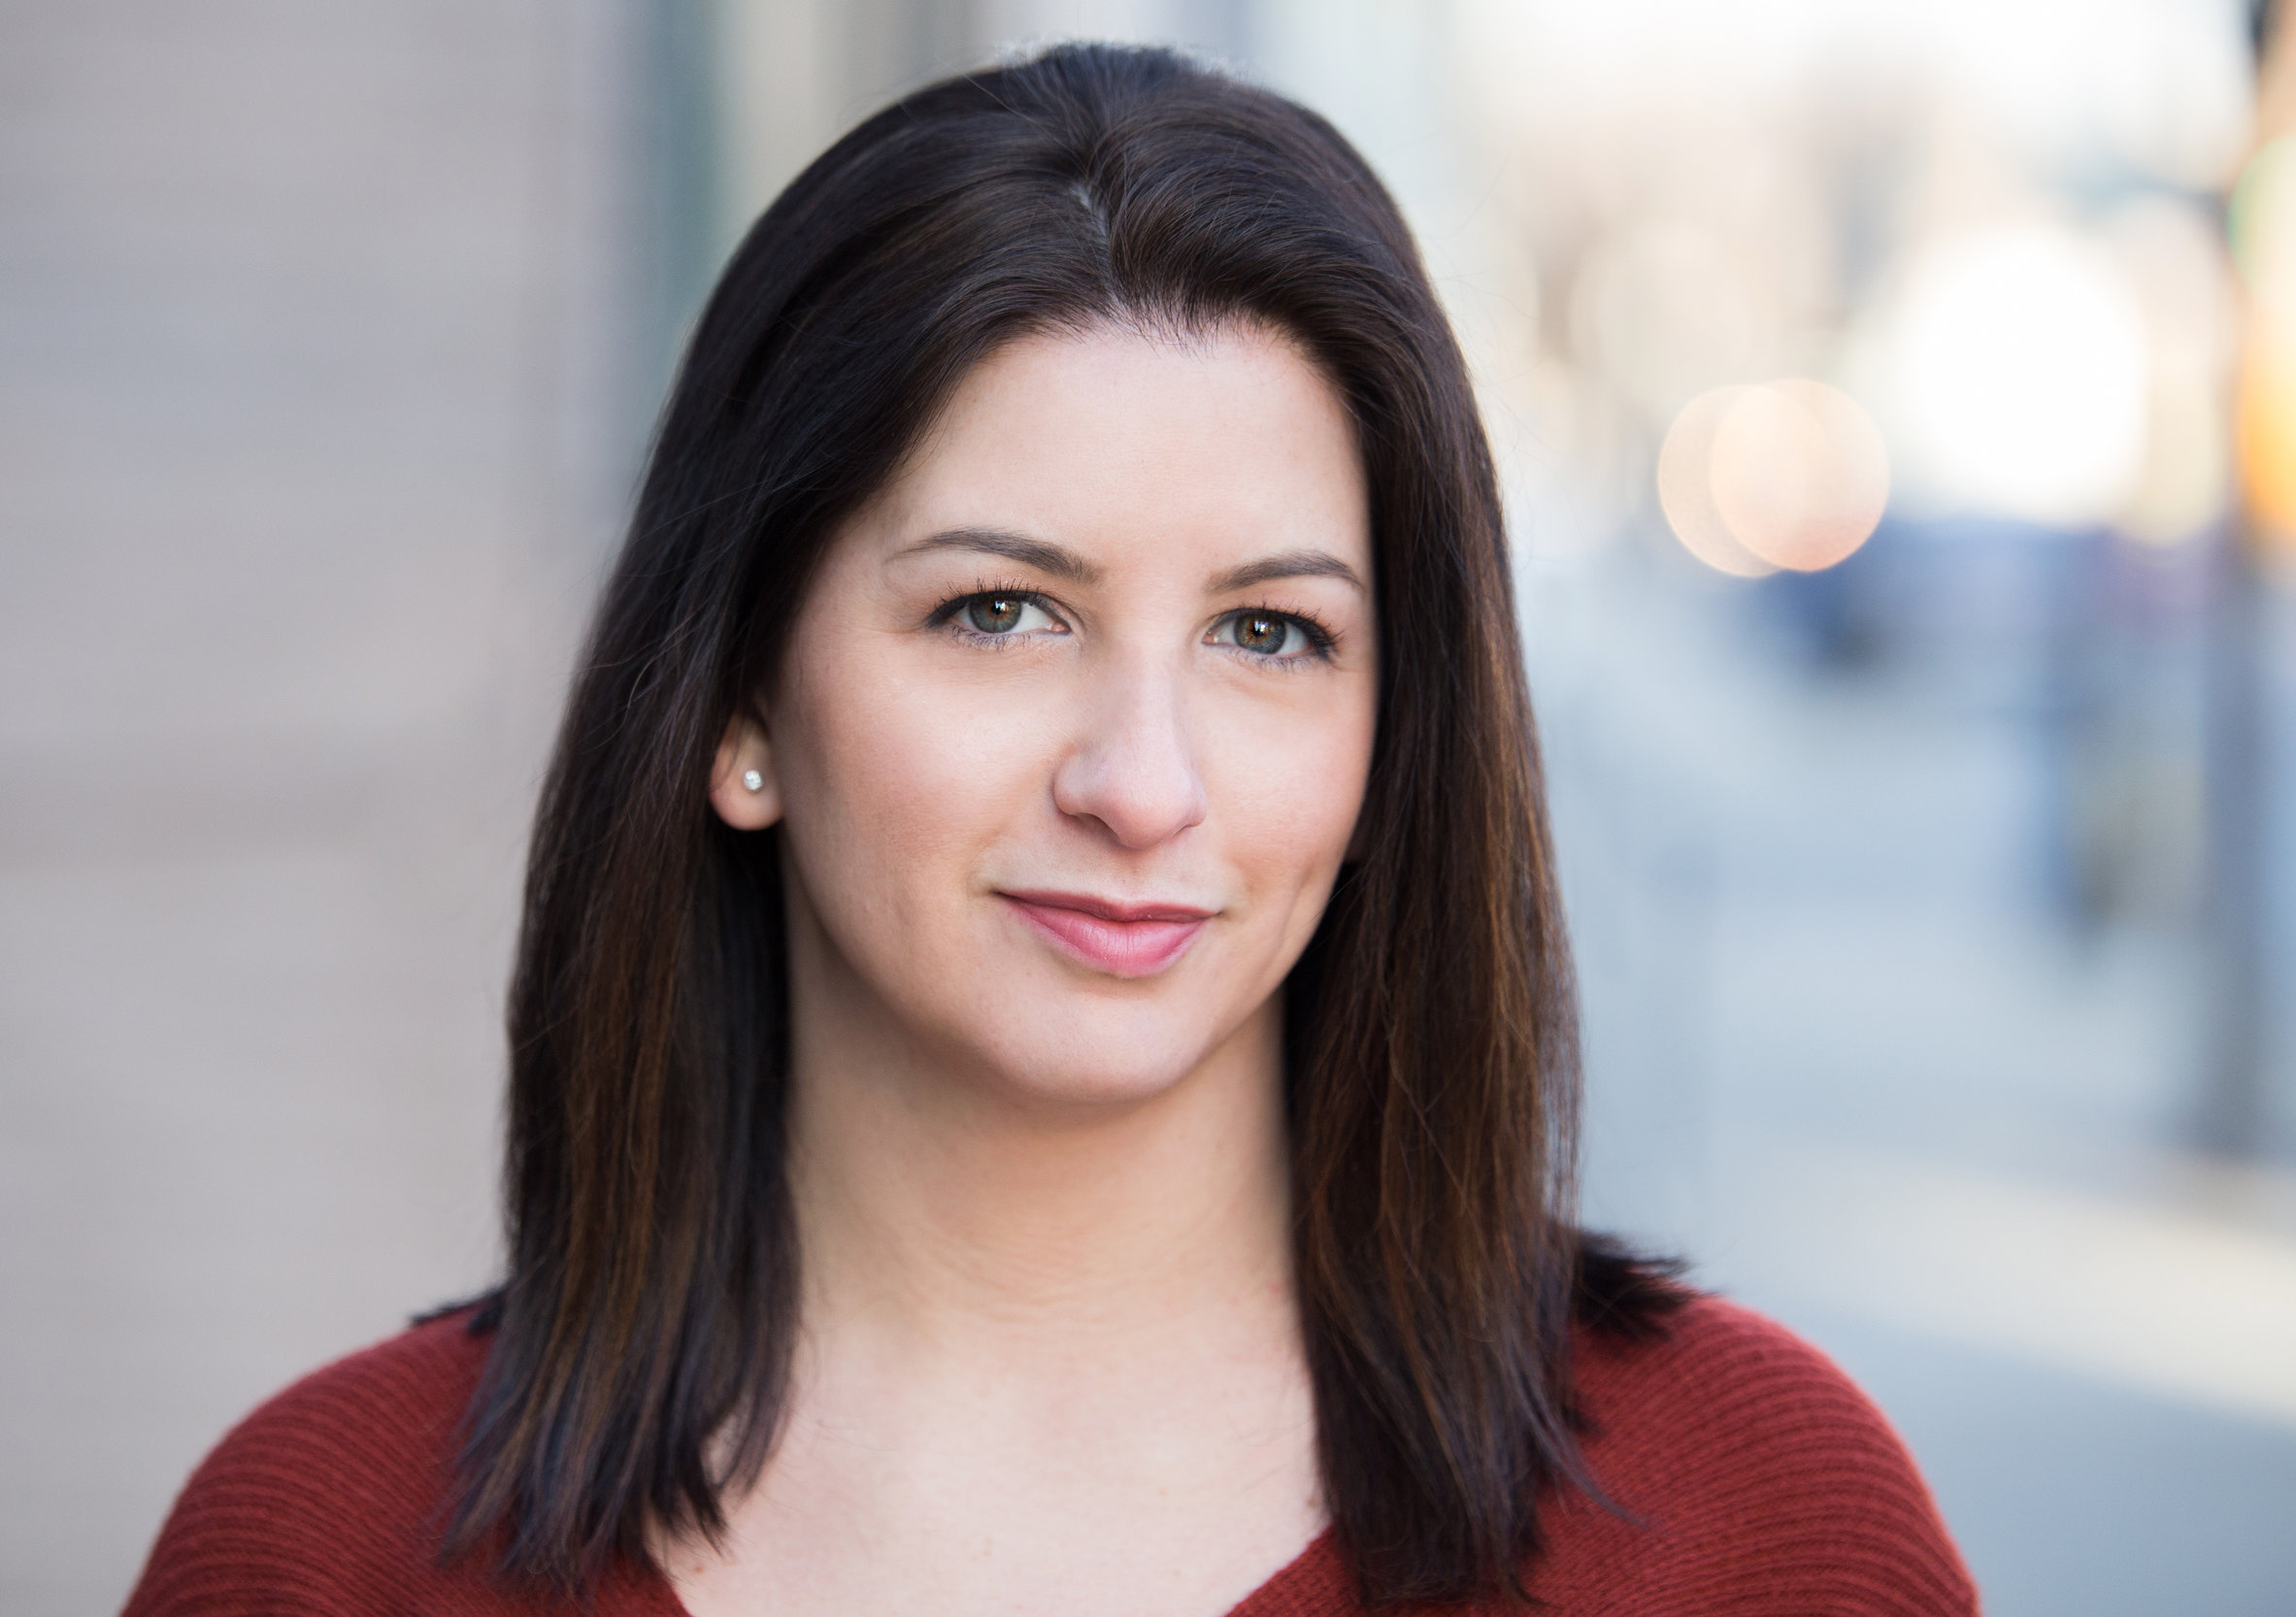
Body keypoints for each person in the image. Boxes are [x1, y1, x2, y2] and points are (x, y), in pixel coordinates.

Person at [124, 44, 1976, 1617]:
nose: (1143, 782)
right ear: (740, 703)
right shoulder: (321, 1550)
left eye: (1272, 634)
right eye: (1002, 610)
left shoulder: (1755, 1530)